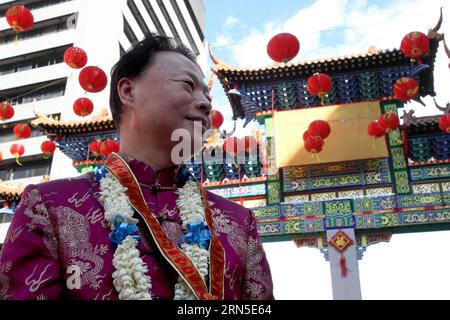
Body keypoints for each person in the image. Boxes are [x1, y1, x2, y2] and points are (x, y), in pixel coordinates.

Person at [0, 34, 274, 300]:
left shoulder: (238, 222)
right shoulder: (49, 207)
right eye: (187, 86)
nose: (205, 104)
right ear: (128, 91)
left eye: (208, 96)